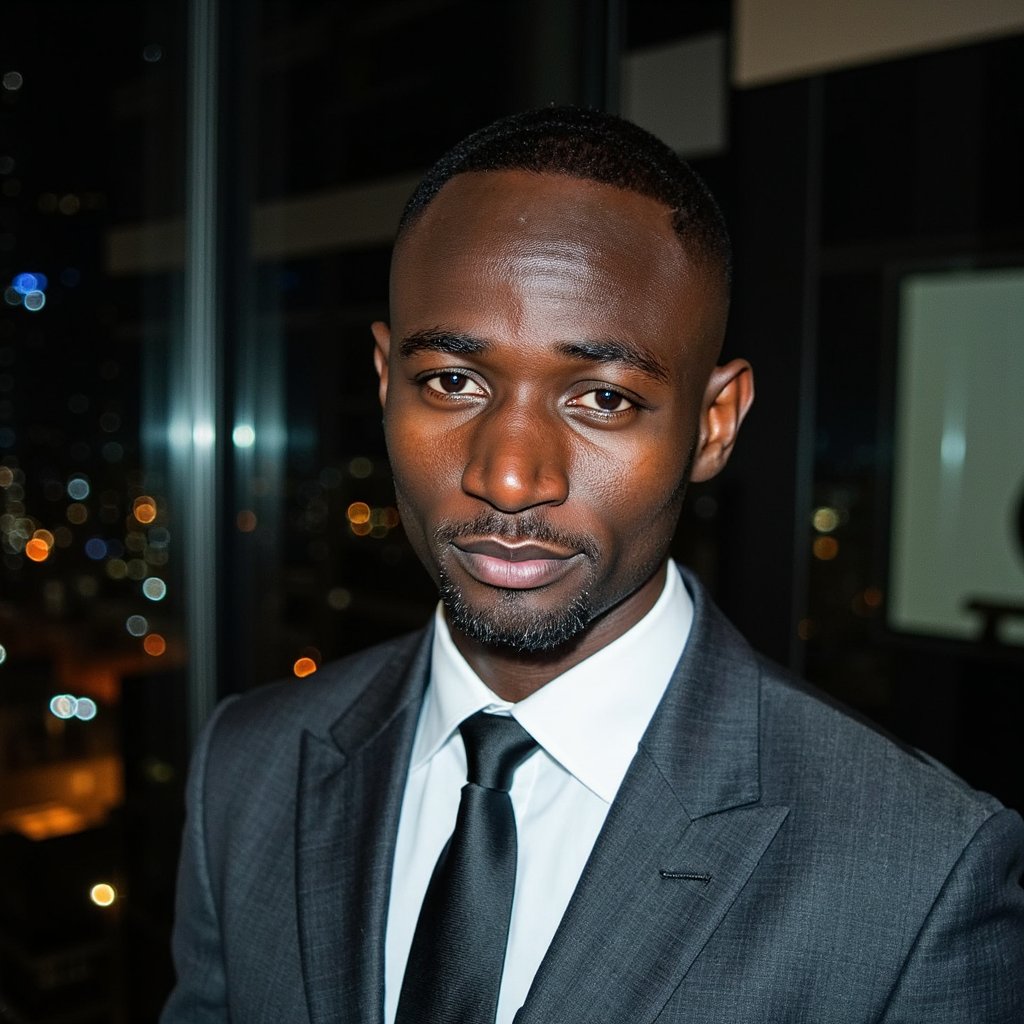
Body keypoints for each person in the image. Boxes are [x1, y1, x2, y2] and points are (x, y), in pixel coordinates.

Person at [161, 107, 1024, 1024]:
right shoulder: (245, 768)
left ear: (714, 423)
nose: (508, 475)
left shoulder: (920, 871)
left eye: (603, 398)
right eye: (453, 381)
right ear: (384, 381)